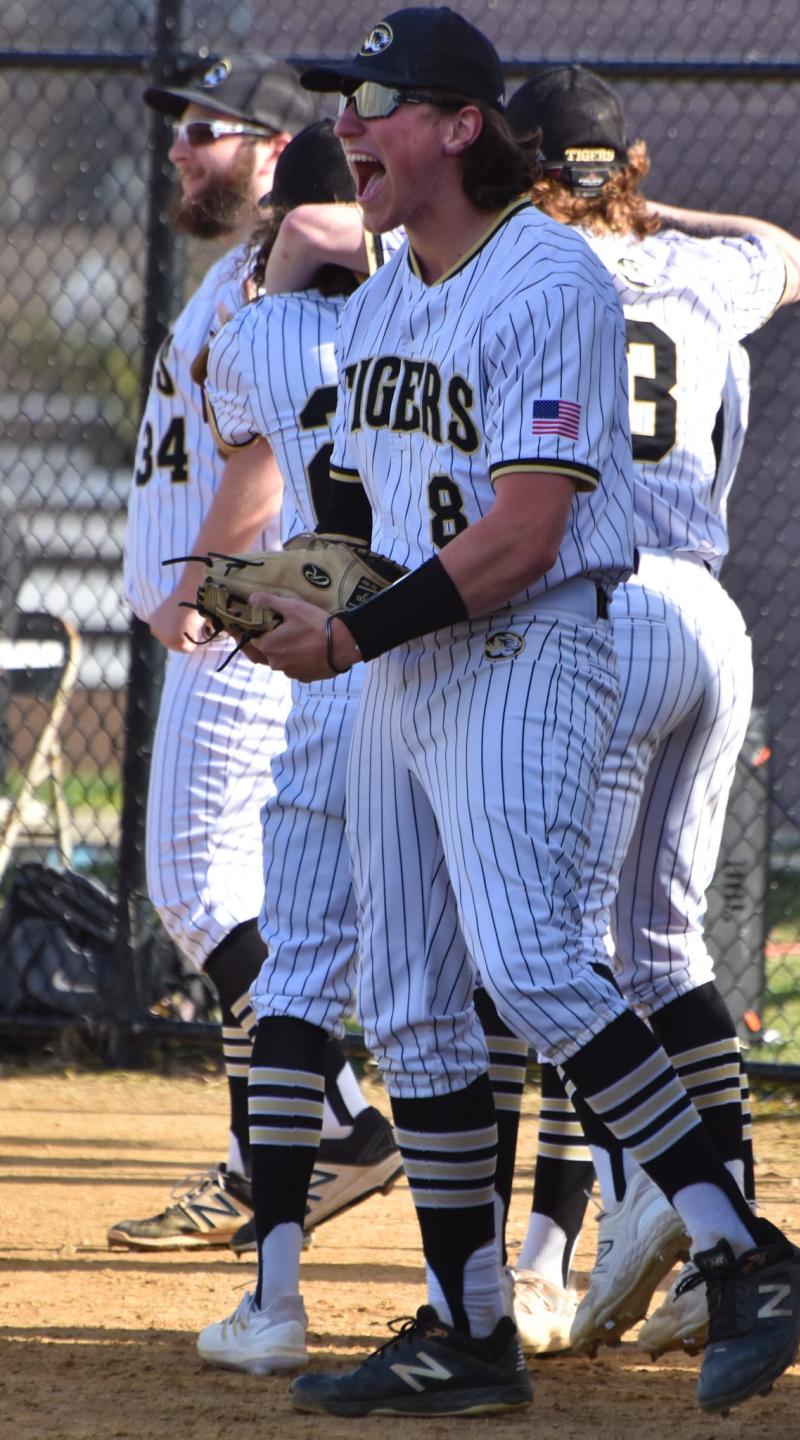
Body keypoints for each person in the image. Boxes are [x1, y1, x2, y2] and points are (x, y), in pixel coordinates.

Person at [237, 7, 800, 1420]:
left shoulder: (548, 278)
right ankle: (466, 1325)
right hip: (402, 671)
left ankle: (749, 1256)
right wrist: (273, 593)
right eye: (343, 107)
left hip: (530, 647)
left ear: (457, 125)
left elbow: (524, 533)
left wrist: (350, 626)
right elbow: (364, 514)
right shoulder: (383, 297)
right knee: (418, 1010)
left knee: (539, 960)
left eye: (373, 104)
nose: (346, 132)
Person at [495, 65, 800, 1359]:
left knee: (562, 952)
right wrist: (638, 200)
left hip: (602, 614)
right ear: (619, 162)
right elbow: (792, 257)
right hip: (710, 620)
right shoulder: (700, 274)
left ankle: (657, 1208)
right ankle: (697, 1241)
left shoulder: (516, 277)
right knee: (665, 945)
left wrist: (568, 197)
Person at [113, 53, 400, 1254]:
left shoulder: (309, 259)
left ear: (279, 151)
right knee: (227, 889)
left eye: (210, 130)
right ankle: (259, 1152)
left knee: (193, 881)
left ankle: (331, 1122)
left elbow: (265, 456)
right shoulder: (245, 269)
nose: (182, 147)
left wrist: (196, 584)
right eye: (178, 129)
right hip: (235, 606)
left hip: (244, 607)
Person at [194, 118, 418, 1371]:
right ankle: (497, 1281)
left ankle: (276, 1301)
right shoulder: (435, 311)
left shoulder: (268, 333)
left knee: (299, 984)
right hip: (439, 660)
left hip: (329, 686)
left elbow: (240, 425)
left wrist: (285, 261)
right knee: (481, 991)